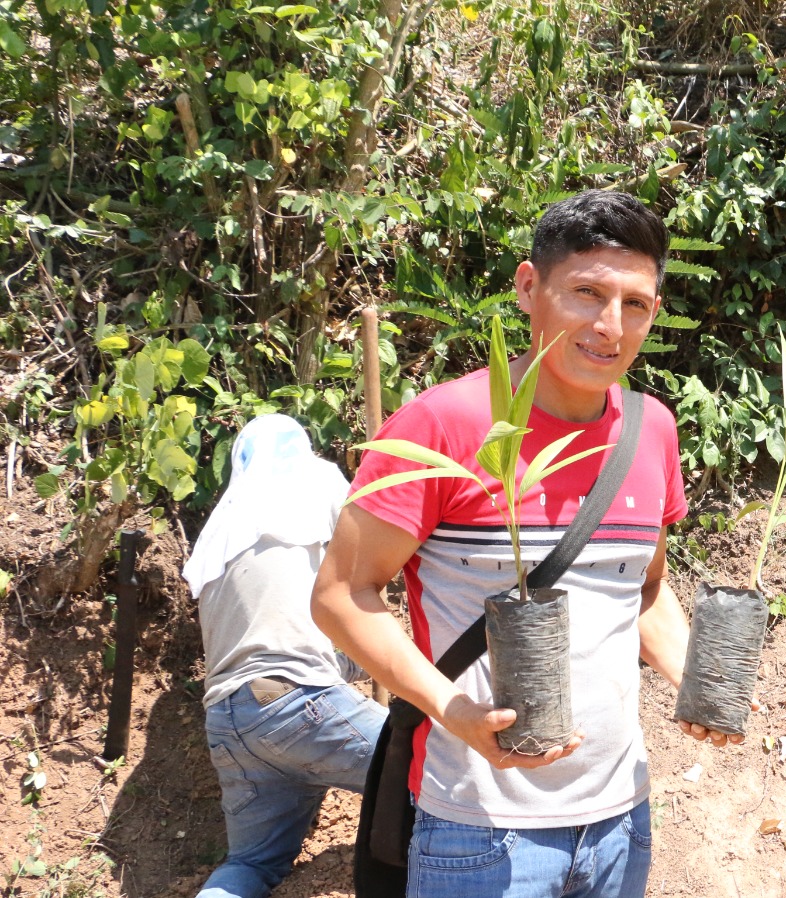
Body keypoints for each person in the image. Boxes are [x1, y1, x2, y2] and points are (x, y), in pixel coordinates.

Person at [310, 189, 737, 898]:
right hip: (477, 826)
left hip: (620, 819)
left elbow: (645, 590)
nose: (610, 325)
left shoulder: (651, 428)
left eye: (635, 304)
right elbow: (340, 596)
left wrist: (702, 683)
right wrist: (455, 712)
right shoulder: (438, 425)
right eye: (587, 294)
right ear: (528, 287)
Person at [185, 414, 388, 898]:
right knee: (433, 772)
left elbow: (289, 638)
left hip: (231, 722)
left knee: (251, 865)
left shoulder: (221, 529)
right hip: (299, 701)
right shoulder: (316, 483)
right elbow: (377, 550)